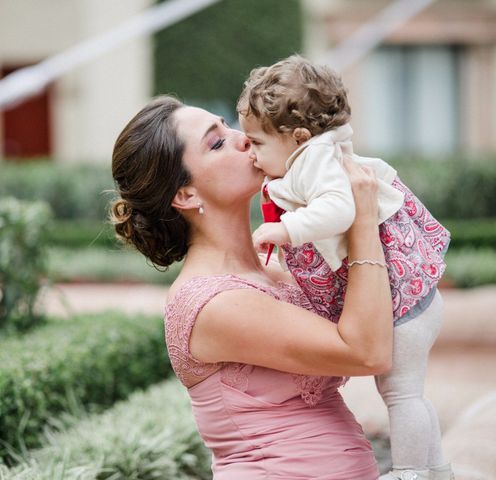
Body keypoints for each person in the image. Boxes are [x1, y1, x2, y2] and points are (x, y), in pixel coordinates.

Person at [110, 95, 394, 479]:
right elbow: (368, 352)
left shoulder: (275, 266)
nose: (242, 137)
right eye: (216, 142)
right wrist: (360, 218)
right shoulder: (214, 303)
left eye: (227, 124)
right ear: (186, 195)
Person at [237, 55, 453, 480]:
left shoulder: (314, 159)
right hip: (415, 300)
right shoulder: (312, 156)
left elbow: (337, 210)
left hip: (403, 306)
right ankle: (436, 469)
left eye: (258, 143)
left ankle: (411, 472)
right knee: (409, 393)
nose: (252, 154)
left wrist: (284, 232)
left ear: (297, 136)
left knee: (401, 395)